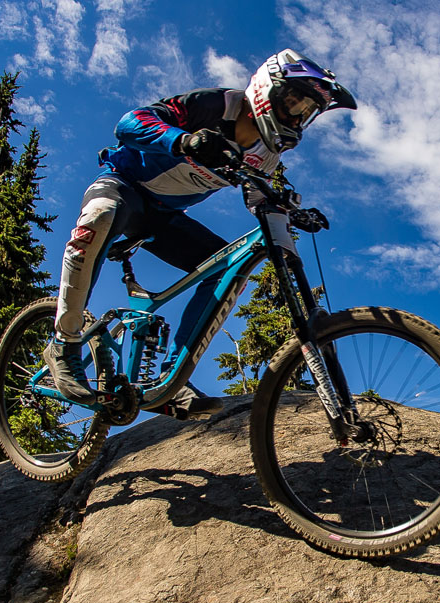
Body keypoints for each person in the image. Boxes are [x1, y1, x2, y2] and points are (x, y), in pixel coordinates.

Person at [43, 49, 356, 417]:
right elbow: (129, 123)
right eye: (294, 102)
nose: (298, 117)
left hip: (162, 216)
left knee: (228, 269)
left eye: (307, 113)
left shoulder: (265, 153)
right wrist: (183, 141)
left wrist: (289, 210)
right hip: (122, 185)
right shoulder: (214, 104)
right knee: (101, 216)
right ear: (268, 88)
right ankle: (64, 344)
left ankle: (169, 381)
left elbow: (258, 196)